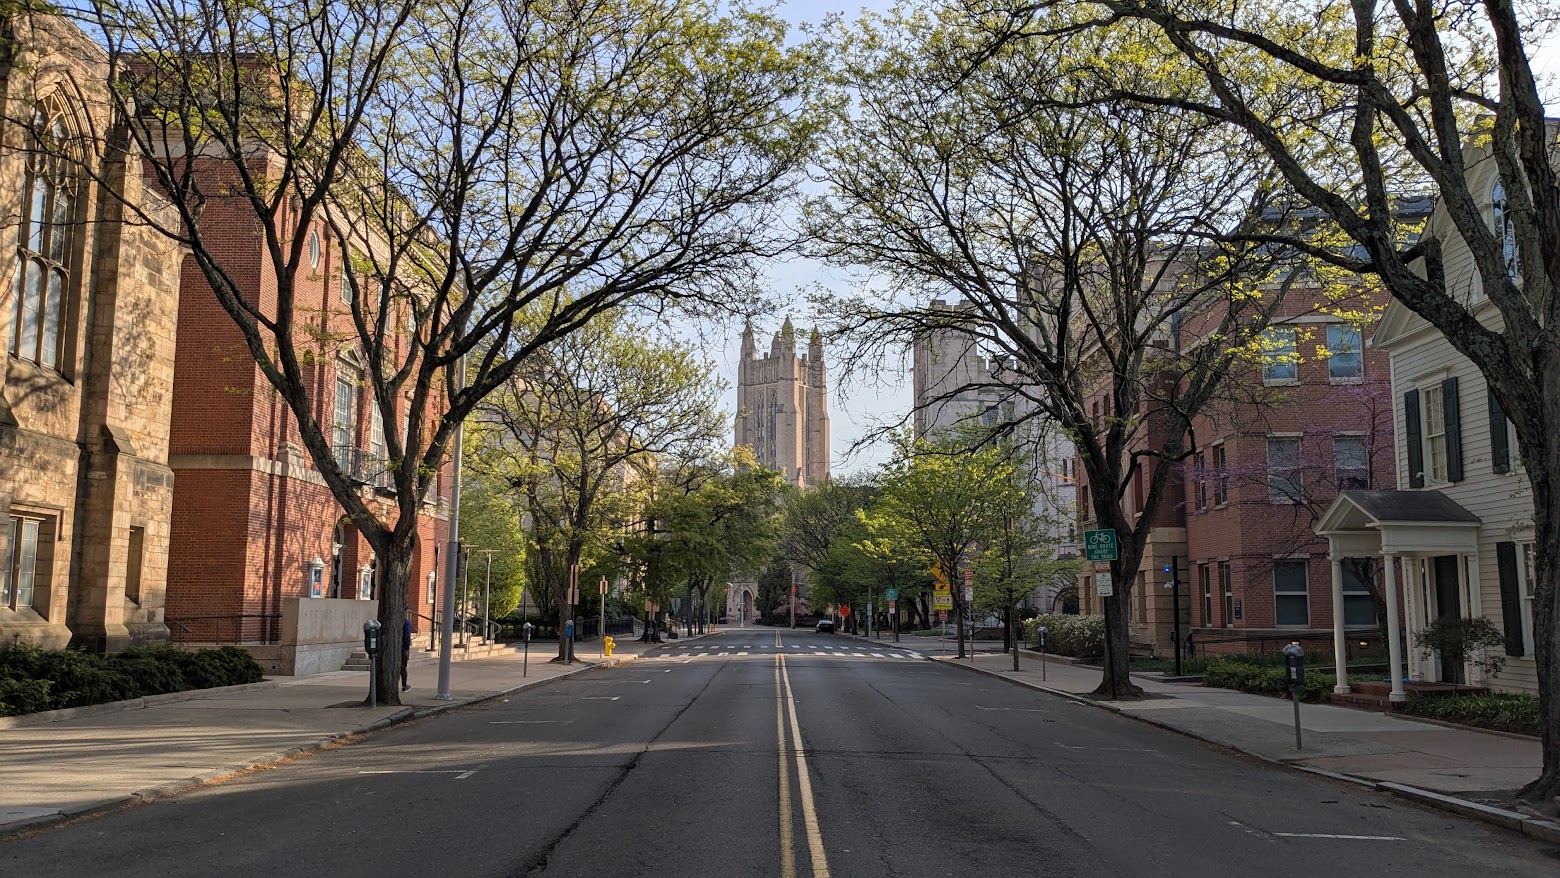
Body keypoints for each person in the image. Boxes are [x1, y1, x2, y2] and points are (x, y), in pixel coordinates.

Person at [401, 617, 413, 691]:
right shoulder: (405, 622)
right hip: (402, 648)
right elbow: (407, 635)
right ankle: (404, 685)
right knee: (402, 667)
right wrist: (406, 647)